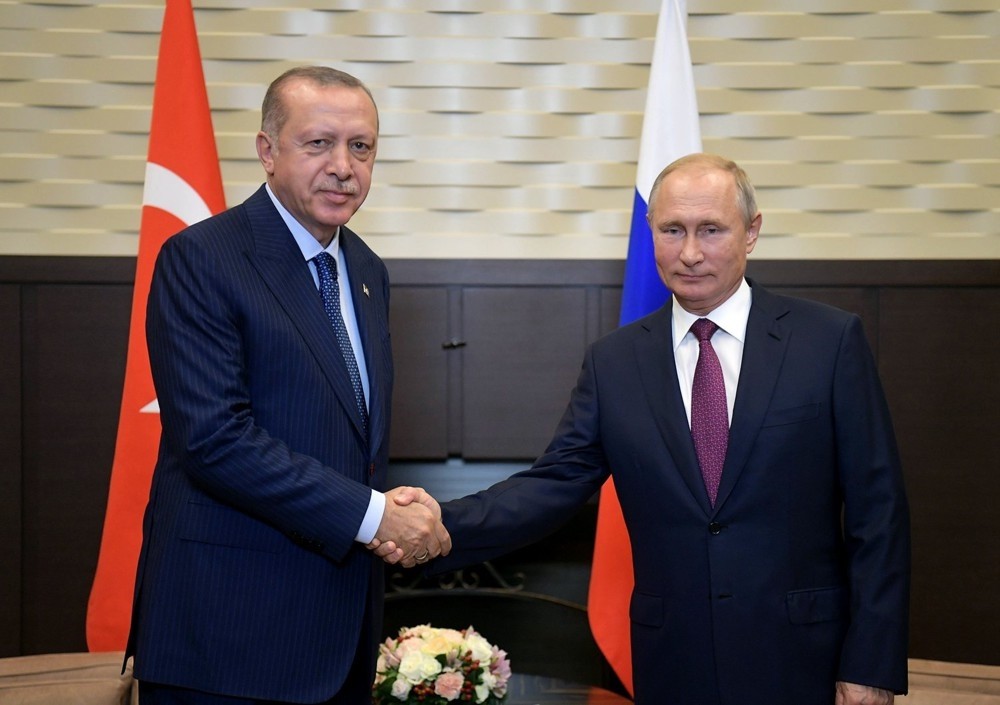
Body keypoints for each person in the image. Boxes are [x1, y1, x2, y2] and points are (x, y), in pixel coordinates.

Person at [381, 153, 911, 705]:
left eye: (711, 230)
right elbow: (551, 486)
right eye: (671, 230)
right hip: (672, 663)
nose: (689, 253)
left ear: (751, 232)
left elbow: (880, 515)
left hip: (805, 658)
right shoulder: (615, 362)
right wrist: (439, 522)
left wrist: (870, 662)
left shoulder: (827, 342)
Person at [127, 66, 450, 705]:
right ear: (268, 151)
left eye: (361, 147)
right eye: (318, 143)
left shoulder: (365, 270)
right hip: (225, 639)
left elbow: (344, 436)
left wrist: (390, 504)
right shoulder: (202, 258)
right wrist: (374, 515)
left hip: (336, 636)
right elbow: (216, 442)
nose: (343, 166)